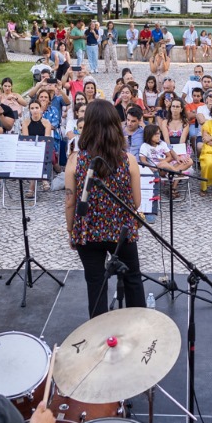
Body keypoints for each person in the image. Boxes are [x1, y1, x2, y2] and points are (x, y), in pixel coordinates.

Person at [65, 100, 146, 317]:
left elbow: (70, 202)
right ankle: (141, 327)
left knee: (95, 283)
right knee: (133, 279)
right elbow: (136, 203)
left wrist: (71, 231)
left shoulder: (75, 160)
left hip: (88, 231)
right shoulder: (128, 160)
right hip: (122, 231)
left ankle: (99, 333)